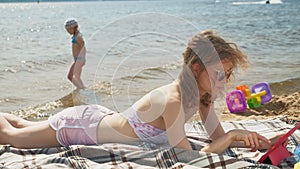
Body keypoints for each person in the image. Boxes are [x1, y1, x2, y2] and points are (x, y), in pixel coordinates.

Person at [0, 30, 283, 154]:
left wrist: (253, 140)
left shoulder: (202, 98)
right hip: (81, 128)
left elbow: (218, 140)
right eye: (220, 74)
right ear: (196, 68)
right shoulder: (172, 100)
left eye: (228, 75)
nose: (225, 81)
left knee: (26, 125)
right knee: (10, 136)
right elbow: (188, 154)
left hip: (100, 119)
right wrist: (233, 136)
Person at [65, 18, 86, 89]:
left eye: (68, 30)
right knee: (77, 77)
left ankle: (81, 88)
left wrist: (82, 60)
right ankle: (82, 88)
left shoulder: (78, 37)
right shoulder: (75, 36)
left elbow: (83, 48)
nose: (68, 32)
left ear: (74, 28)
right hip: (77, 59)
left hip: (79, 60)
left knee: (70, 76)